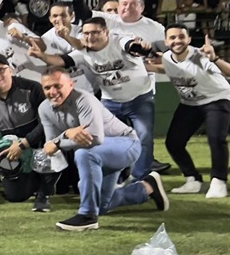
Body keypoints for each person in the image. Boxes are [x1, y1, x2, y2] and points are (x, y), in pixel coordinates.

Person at [37, 69, 167, 231]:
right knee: (102, 205)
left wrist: (61, 139)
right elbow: (51, 144)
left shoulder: (84, 100)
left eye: (57, 86)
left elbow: (94, 139)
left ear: (71, 84)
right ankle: (147, 187)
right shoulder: (44, 108)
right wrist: (63, 137)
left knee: (84, 153)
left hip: (126, 144)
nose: (52, 92)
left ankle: (87, 216)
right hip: (100, 155)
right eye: (47, 88)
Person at [29, 16, 156, 182]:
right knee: (103, 141)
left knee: (144, 136)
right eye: (86, 33)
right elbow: (62, 61)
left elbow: (132, 46)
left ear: (106, 32)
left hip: (139, 98)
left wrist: (142, 47)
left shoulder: (119, 41)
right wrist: (41, 56)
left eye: (95, 32)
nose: (90, 37)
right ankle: (113, 178)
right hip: (110, 101)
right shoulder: (83, 53)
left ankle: (141, 178)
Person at [145, 26, 230, 198]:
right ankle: (193, 179)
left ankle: (219, 181)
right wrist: (152, 68)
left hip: (217, 98)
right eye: (172, 38)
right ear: (166, 41)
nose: (177, 41)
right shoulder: (168, 57)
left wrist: (215, 58)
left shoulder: (200, 57)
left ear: (189, 40)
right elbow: (171, 68)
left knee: (216, 139)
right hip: (190, 103)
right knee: (173, 142)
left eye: (181, 37)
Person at [0, 54, 56, 210]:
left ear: (10, 71)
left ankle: (45, 190)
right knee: (16, 196)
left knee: (55, 138)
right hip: (11, 156)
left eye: (0, 70)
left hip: (38, 145)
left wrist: (24, 144)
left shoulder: (33, 89)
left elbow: (48, 122)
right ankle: (33, 179)